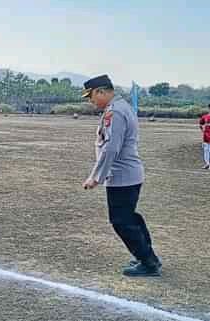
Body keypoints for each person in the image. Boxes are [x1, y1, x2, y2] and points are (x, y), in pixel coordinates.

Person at [81, 75, 161, 277]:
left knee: (121, 221)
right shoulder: (122, 107)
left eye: (91, 97)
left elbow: (111, 148)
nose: (91, 102)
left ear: (101, 91)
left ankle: (148, 261)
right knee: (130, 217)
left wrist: (96, 177)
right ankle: (147, 256)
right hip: (128, 174)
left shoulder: (115, 112)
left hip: (122, 176)